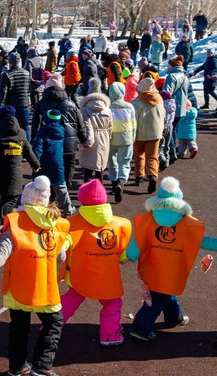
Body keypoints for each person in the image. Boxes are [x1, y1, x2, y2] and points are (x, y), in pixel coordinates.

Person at [0, 176, 71, 376]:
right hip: (45, 287)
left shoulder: (15, 221)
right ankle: (42, 365)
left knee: (18, 327)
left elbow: (5, 248)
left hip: (18, 287)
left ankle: (17, 366)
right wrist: (65, 245)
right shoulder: (56, 223)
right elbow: (61, 256)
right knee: (53, 322)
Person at [126, 177, 216, 341]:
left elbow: (138, 242)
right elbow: (203, 241)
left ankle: (174, 318)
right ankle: (140, 328)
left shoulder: (149, 220)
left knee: (164, 294)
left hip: (152, 268)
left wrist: (128, 256)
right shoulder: (188, 225)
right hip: (173, 270)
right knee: (159, 297)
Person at [61, 179, 132, 346]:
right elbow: (121, 256)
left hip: (80, 275)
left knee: (71, 299)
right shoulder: (120, 224)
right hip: (107, 278)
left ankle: (51, 325)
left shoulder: (71, 223)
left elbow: (64, 245)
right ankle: (109, 336)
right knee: (113, 303)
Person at [0, 105, 40, 215]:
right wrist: (35, 164)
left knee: (0, 195)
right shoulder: (21, 133)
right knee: (12, 197)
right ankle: (2, 220)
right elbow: (28, 150)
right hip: (14, 172)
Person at [33, 110, 75, 217]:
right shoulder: (61, 131)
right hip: (58, 164)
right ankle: (67, 209)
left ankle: (40, 208)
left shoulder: (42, 132)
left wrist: (35, 163)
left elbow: (37, 149)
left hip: (44, 164)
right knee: (61, 188)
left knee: (40, 187)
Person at [131, 78, 164, 194]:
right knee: (153, 156)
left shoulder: (136, 102)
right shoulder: (159, 99)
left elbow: (133, 120)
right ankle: (153, 176)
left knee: (139, 155)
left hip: (140, 133)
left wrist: (132, 135)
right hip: (155, 133)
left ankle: (139, 176)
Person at [78, 78, 113, 183]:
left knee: (88, 168)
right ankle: (100, 193)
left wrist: (83, 140)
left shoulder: (84, 108)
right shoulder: (107, 109)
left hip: (90, 137)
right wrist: (108, 137)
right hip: (104, 137)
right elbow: (110, 126)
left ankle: (86, 193)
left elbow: (84, 125)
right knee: (100, 168)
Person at [107, 82, 136, 203]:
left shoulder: (107, 106)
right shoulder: (129, 107)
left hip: (111, 138)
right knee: (124, 162)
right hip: (126, 137)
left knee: (112, 161)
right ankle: (121, 181)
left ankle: (114, 182)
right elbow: (134, 124)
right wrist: (133, 137)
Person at [0, 53, 31, 140]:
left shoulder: (7, 74)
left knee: (12, 127)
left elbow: (3, 92)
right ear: (19, 61)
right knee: (25, 126)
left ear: (10, 62)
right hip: (24, 103)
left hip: (12, 105)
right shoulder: (27, 73)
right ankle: (26, 145)